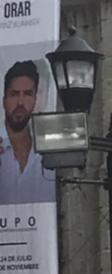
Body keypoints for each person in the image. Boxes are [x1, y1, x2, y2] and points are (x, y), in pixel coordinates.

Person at [0, 61, 57, 206]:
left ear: (34, 99)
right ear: (4, 100)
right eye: (13, 94)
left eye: (27, 94)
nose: (20, 102)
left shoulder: (50, 153)